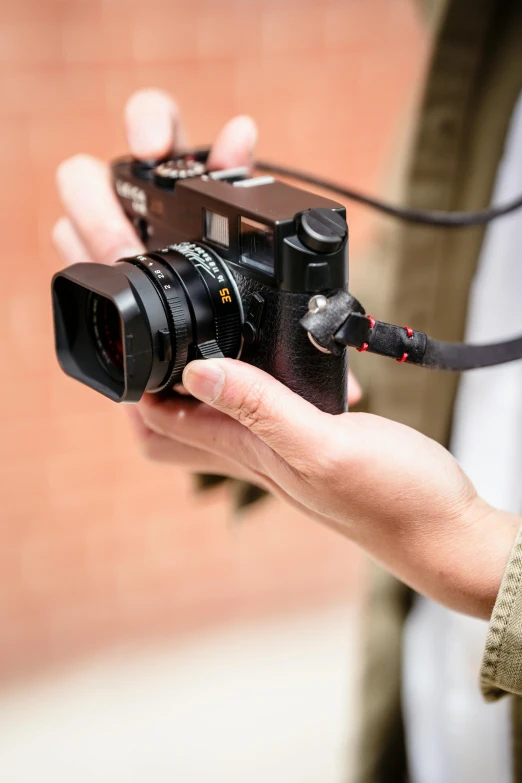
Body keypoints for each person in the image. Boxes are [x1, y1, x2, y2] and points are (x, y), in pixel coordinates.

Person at [52, 1, 522, 779]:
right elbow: (389, 301)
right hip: (423, 729)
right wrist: (216, 400)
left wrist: (477, 556)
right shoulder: (487, 35)